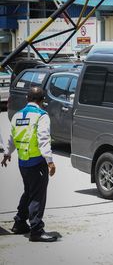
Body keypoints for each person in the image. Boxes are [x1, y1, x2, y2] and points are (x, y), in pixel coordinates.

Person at [1, 87, 57, 242]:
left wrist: (7, 154)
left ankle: (19, 222)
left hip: (23, 163)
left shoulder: (17, 115)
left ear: (28, 99)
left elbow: (12, 137)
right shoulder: (41, 116)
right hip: (37, 162)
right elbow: (43, 139)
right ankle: (36, 231)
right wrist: (50, 161)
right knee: (37, 196)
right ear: (42, 100)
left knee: (29, 191)